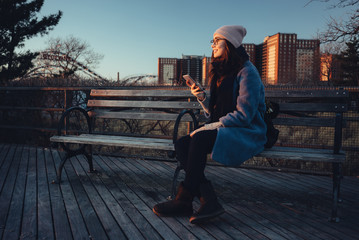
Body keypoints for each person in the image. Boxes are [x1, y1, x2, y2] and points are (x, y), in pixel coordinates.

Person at [153, 25, 267, 224]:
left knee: (198, 138)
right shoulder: (219, 72)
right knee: (182, 143)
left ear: (230, 43)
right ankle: (207, 199)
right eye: (212, 41)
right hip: (225, 128)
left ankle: (184, 200)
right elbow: (214, 113)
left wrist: (211, 126)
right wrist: (202, 98)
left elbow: (244, 116)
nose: (213, 45)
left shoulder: (248, 72)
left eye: (217, 41)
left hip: (246, 131)